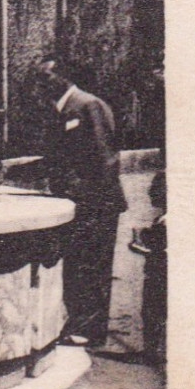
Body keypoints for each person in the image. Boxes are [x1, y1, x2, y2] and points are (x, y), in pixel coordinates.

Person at [34, 57, 127, 348]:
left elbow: (107, 159)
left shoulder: (88, 105)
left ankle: (91, 331)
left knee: (93, 265)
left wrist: (86, 195)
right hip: (78, 201)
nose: (42, 84)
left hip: (96, 202)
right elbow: (57, 158)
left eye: (47, 77)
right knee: (77, 263)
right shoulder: (58, 110)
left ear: (64, 77)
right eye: (39, 79)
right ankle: (78, 323)